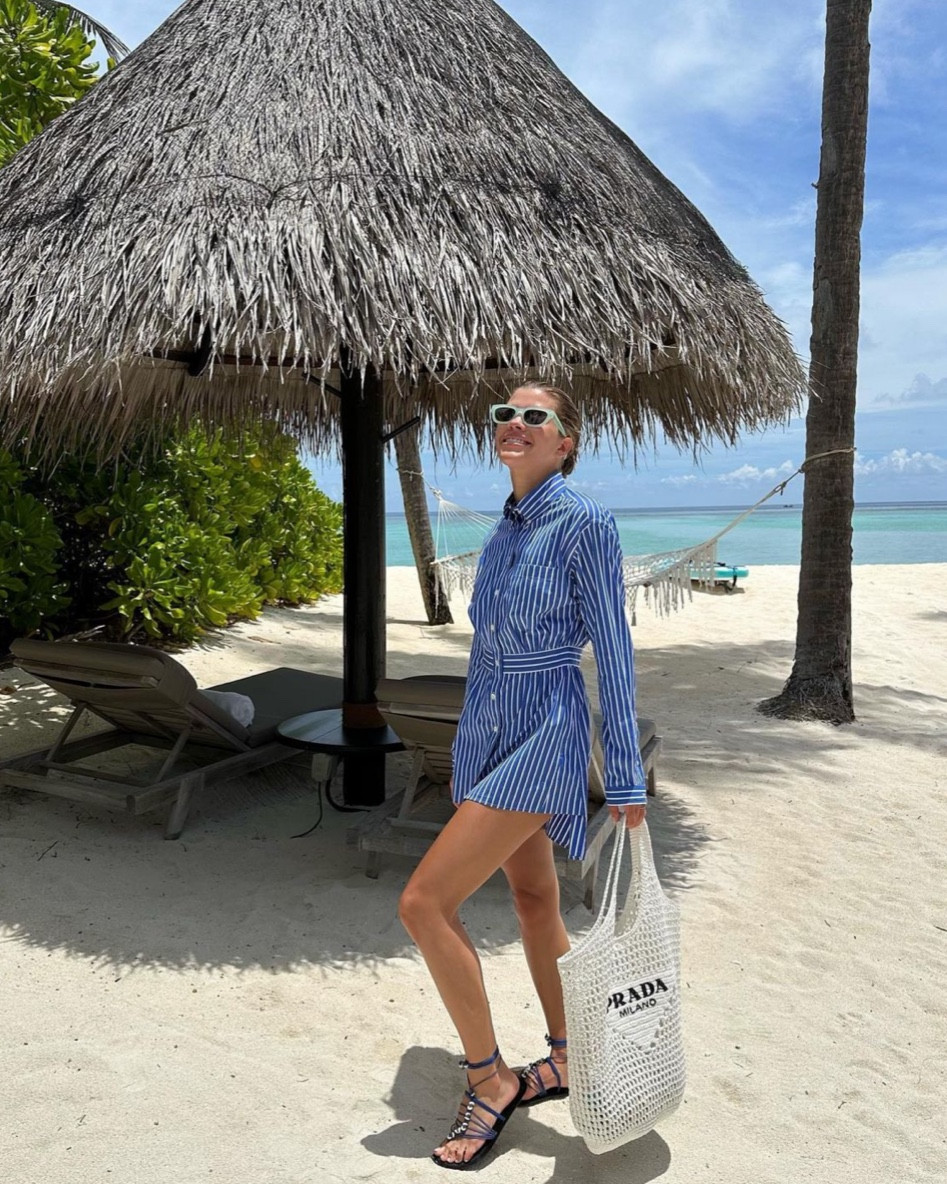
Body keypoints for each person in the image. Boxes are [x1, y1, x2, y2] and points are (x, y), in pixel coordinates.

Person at [398, 381, 648, 1169]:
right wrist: (468, 752)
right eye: (503, 414)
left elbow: (613, 649)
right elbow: (484, 652)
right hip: (491, 730)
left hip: (546, 730)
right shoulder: (503, 527)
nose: (513, 423)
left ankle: (491, 1079)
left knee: (422, 904)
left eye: (534, 416)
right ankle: (569, 1054)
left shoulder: (584, 524)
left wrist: (626, 776)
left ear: (564, 441)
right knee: (534, 899)